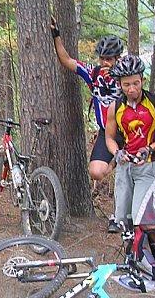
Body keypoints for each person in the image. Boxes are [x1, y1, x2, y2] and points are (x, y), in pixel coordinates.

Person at [104, 55, 155, 283]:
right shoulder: (115, 107)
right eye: (127, 84)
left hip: (149, 166)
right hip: (126, 167)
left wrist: (150, 148)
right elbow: (109, 138)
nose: (132, 88)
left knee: (144, 218)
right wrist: (117, 152)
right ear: (120, 85)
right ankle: (133, 258)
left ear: (142, 80)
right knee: (123, 219)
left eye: (135, 83)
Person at [50, 18, 124, 232]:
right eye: (102, 58)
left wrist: (120, 76)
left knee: (127, 179)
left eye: (109, 59)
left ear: (118, 58)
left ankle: (119, 218)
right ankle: (118, 161)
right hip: (107, 133)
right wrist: (56, 35)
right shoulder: (94, 74)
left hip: (130, 132)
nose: (105, 63)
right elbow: (66, 60)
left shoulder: (127, 76)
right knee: (96, 171)